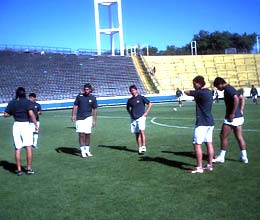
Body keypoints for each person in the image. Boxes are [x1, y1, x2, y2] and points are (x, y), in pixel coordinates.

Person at [213, 77, 248, 164]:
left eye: (217, 87)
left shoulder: (228, 89)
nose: (218, 89)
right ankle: (244, 157)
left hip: (231, 118)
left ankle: (221, 157)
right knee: (239, 137)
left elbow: (236, 98)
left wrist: (232, 113)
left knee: (223, 136)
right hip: (239, 117)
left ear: (220, 84)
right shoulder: (231, 88)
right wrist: (241, 110)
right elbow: (242, 98)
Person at [4, 87, 38, 176]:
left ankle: (19, 170)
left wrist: (13, 113)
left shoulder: (12, 102)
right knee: (28, 147)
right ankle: (29, 169)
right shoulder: (27, 102)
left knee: (17, 148)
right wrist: (36, 124)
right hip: (26, 125)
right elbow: (31, 114)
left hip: (16, 125)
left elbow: (6, 114)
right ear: (24, 93)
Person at [184, 76, 215, 173]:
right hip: (210, 121)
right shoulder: (208, 92)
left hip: (202, 122)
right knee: (209, 143)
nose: (193, 85)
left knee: (197, 144)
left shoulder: (200, 93)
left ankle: (199, 167)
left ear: (199, 83)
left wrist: (193, 91)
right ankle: (209, 165)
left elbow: (187, 92)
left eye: (195, 84)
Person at [71, 83, 97, 158]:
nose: (86, 91)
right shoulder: (79, 97)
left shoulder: (93, 98)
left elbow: (95, 109)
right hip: (80, 118)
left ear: (90, 90)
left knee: (88, 135)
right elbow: (75, 106)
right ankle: (82, 151)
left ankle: (87, 150)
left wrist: (94, 120)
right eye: (85, 89)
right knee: (81, 134)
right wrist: (73, 115)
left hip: (88, 118)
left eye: (87, 89)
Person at [126, 85, 152, 155]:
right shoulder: (130, 100)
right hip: (133, 118)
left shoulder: (141, 97)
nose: (133, 92)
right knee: (137, 134)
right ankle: (139, 147)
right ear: (130, 91)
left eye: (134, 90)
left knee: (142, 131)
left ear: (136, 90)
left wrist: (146, 113)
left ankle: (144, 146)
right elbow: (127, 108)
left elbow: (149, 104)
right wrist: (130, 114)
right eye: (131, 91)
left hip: (141, 117)